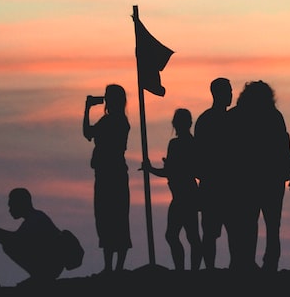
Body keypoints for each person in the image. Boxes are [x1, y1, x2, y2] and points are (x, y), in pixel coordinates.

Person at [229, 80, 290, 270]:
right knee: (272, 225)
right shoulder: (274, 116)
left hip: (247, 179)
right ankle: (269, 262)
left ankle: (249, 261)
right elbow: (284, 144)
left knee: (249, 223)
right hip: (270, 178)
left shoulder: (235, 116)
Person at [141, 109, 201, 270]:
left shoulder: (179, 144)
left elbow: (172, 171)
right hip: (184, 193)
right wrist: (153, 168)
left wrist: (152, 169)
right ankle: (185, 269)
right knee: (185, 236)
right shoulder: (189, 143)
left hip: (184, 194)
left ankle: (184, 269)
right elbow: (172, 170)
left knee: (183, 236)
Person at [0, 188, 67, 284]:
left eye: (12, 206)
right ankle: (39, 276)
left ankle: (41, 276)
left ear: (21, 204)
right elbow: (16, 239)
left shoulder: (35, 219)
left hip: (50, 265)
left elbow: (15, 240)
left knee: (9, 246)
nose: (10, 210)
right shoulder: (35, 217)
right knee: (8, 244)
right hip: (51, 263)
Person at [83, 84, 131, 272]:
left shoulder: (116, 121)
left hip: (113, 174)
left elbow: (88, 133)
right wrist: (87, 109)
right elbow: (88, 133)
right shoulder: (111, 120)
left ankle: (115, 266)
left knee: (115, 218)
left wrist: (86, 109)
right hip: (106, 174)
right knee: (106, 218)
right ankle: (111, 266)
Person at [193, 77, 234, 269]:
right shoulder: (211, 120)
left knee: (231, 231)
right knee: (212, 232)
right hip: (216, 183)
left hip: (221, 183)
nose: (231, 95)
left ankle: (225, 266)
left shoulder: (207, 119)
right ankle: (210, 267)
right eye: (228, 91)